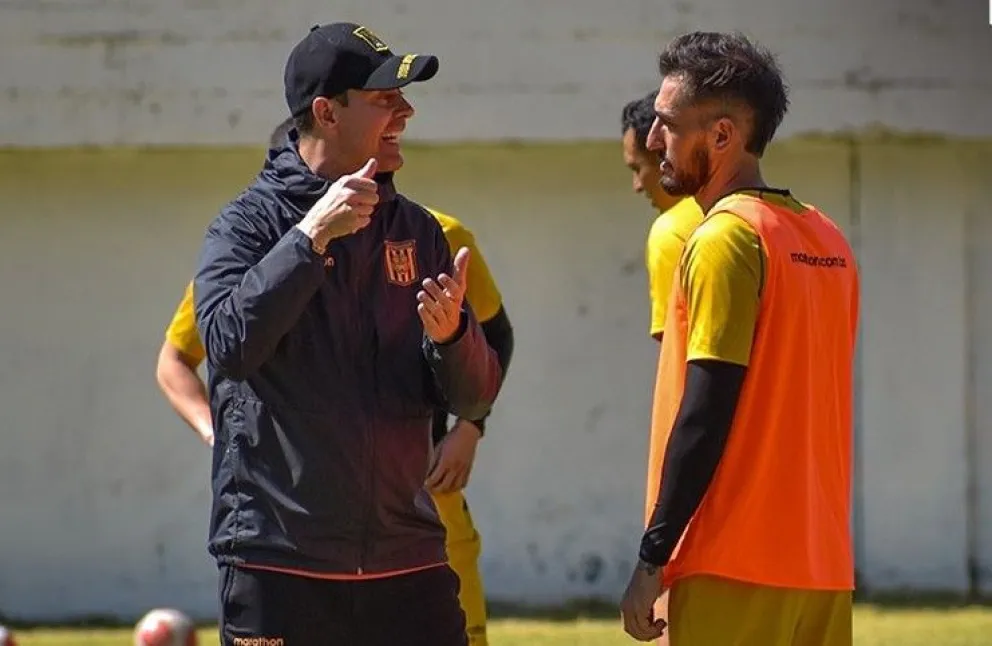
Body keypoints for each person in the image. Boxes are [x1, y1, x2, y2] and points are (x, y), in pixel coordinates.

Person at [192, 22, 505, 646]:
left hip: (407, 557)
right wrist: (310, 239)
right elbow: (229, 346)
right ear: (326, 113)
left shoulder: (419, 231)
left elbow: (472, 399)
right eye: (385, 98)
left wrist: (452, 341)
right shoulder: (244, 227)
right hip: (278, 561)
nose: (406, 111)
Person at [620, 31, 860, 646]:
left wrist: (653, 557)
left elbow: (706, 408)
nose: (652, 140)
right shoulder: (827, 239)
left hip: (728, 561)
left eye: (668, 125)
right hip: (821, 568)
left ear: (722, 135)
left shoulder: (726, 237)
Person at [621, 91, 704, 343]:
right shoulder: (768, 213)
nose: (637, 185)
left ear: (664, 156)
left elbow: (679, 350)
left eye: (638, 168)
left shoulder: (672, 232)